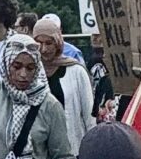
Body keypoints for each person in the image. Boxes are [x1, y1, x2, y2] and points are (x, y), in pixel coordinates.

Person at [32, 16, 95, 149]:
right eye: (39, 43)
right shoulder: (31, 72)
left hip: (73, 147)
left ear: (58, 43)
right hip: (41, 151)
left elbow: (89, 115)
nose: (43, 49)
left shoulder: (76, 71)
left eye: (49, 43)